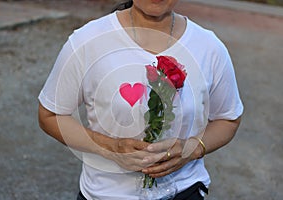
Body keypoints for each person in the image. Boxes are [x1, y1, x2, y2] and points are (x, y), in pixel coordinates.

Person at [38, 0, 243, 199]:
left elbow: (228, 119)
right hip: (105, 194)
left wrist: (193, 148)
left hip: (184, 191)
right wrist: (111, 147)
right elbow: (50, 115)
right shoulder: (87, 41)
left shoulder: (209, 47)